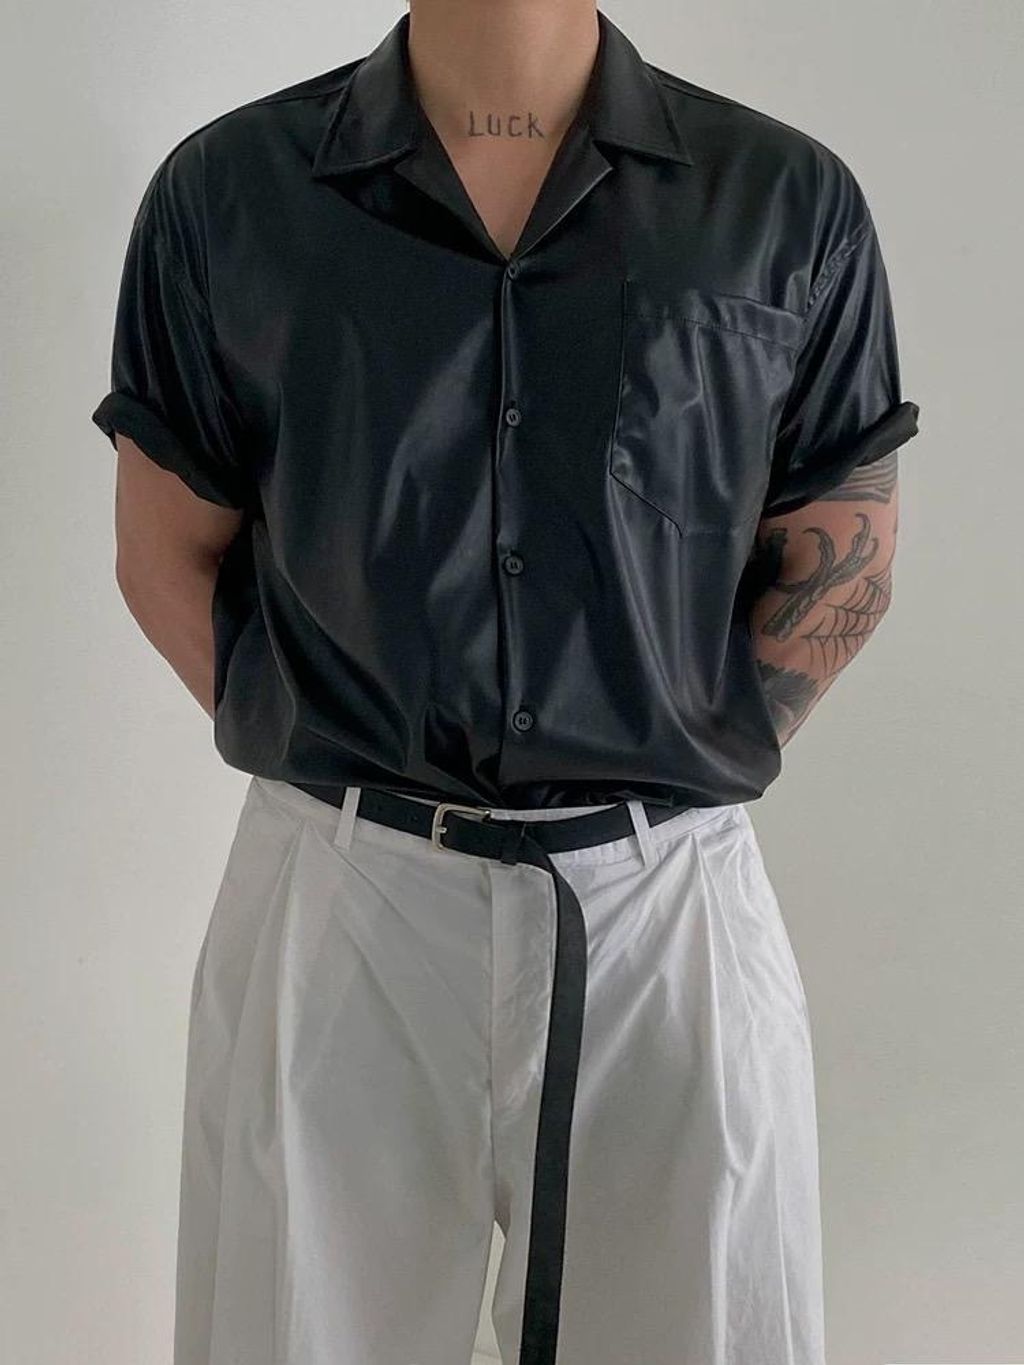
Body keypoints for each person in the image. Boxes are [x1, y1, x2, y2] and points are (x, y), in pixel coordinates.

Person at [90, 3, 920, 1363]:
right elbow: (163, 550)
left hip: (668, 903)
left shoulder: (783, 198)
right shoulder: (230, 191)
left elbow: (846, 549)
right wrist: (335, 750)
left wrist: (676, 755)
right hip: (337, 895)